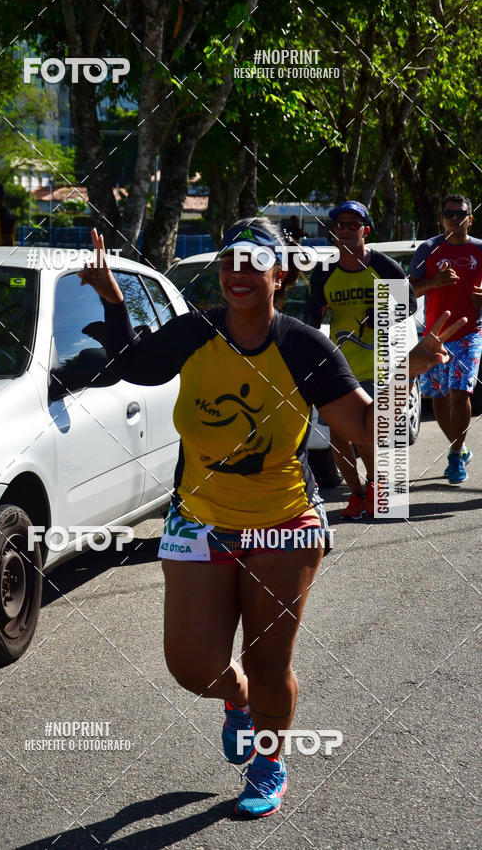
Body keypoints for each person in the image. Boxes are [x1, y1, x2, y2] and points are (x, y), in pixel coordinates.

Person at [78, 218, 462, 818]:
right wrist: (113, 301)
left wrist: (404, 373)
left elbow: (362, 428)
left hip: (284, 523)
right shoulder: (197, 332)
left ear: (279, 276)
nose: (240, 273)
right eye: (231, 261)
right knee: (194, 667)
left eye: (256, 263)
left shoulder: (303, 345)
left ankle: (269, 757)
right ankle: (238, 702)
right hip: (199, 520)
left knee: (268, 660)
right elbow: (140, 366)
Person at [304, 200, 417, 518]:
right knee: (338, 438)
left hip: (375, 364)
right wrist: (316, 314)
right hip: (337, 366)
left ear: (366, 230)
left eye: (354, 225)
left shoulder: (383, 266)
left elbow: (408, 304)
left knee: (364, 431)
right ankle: (357, 493)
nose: (346, 231)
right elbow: (310, 315)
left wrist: (381, 312)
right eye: (340, 225)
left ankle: (376, 487)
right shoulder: (325, 271)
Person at [407, 194, 482, 483]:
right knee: (437, 398)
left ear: (470, 218)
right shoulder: (428, 249)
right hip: (434, 336)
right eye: (448, 213)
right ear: (441, 218)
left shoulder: (479, 249)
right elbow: (408, 291)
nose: (454, 218)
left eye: (460, 213)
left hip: (469, 333)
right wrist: (433, 283)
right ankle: (460, 448)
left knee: (460, 391)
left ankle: (455, 454)